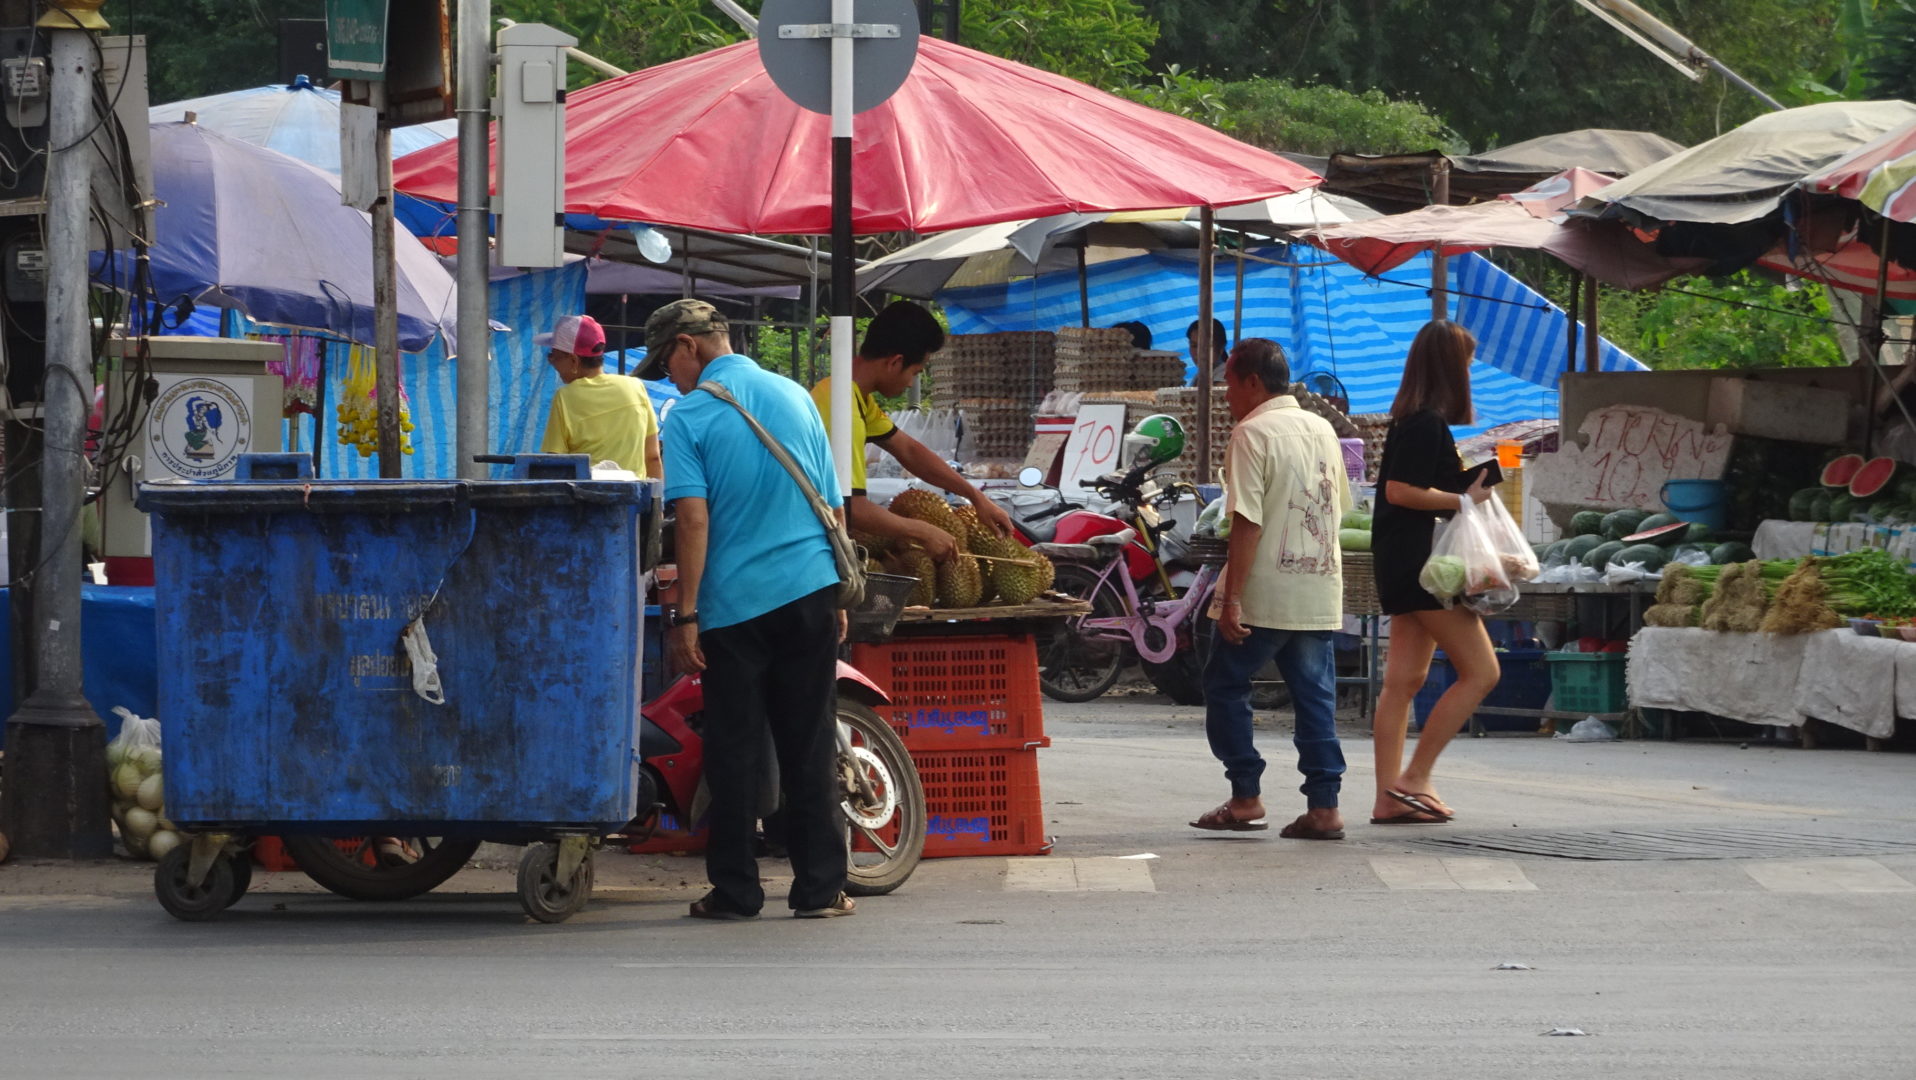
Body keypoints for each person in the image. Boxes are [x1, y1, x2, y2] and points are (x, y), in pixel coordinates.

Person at [637, 298, 854, 921]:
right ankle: (820, 890)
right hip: (811, 588)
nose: (671, 378)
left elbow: (693, 520)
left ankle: (736, 892)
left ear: (689, 346)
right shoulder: (795, 395)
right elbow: (832, 502)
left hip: (735, 608)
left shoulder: (689, 416)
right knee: (809, 742)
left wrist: (687, 615)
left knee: (734, 749)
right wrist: (838, 591)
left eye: (667, 364)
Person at [1189, 338, 1352, 840]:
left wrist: (1232, 598)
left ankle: (1245, 796)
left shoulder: (1252, 432)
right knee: (1315, 698)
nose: (1226, 395)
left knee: (1225, 685)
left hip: (1264, 591)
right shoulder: (1323, 428)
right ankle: (1324, 807)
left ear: (1253, 382)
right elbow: (1339, 506)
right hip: (1318, 588)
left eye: (1229, 384)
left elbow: (1247, 521)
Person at [1369, 320, 1498, 826]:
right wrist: (1463, 499)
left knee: (1404, 680)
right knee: (1482, 671)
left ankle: (1387, 796)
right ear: (1450, 367)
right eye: (1466, 362)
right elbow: (1400, 491)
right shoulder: (1425, 423)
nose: (1470, 371)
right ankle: (1415, 776)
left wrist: (1461, 488)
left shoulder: (1410, 419)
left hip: (1400, 560)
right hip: (1424, 567)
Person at [810, 300, 1012, 558]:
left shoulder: (853, 395)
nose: (910, 384)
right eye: (916, 372)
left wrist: (976, 497)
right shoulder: (841, 409)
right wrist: (920, 531)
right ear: (895, 362)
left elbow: (909, 450)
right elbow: (852, 509)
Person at [537, 314, 662, 478]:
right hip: (635, 492)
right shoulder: (635, 387)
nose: (552, 362)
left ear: (574, 361)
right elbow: (653, 457)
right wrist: (656, 494)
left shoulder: (565, 397)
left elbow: (555, 464)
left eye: (554, 356)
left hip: (586, 493)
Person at [1187, 317, 1228, 385]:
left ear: (1221, 348)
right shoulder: (1199, 376)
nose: (1198, 352)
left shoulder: (1225, 377)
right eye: (1194, 346)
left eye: (1205, 346)